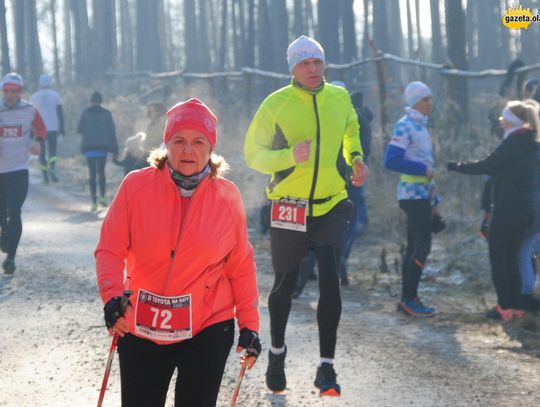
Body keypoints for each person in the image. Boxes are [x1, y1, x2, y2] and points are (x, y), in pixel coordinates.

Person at [95, 98, 261, 407]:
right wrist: (113, 297)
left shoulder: (227, 198)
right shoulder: (135, 187)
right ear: (166, 144)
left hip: (207, 324)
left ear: (210, 148)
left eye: (198, 141)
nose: (188, 150)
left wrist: (249, 325)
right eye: (179, 141)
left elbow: (240, 264)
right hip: (142, 323)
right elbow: (109, 249)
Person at [244, 35, 368, 396]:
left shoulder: (339, 97)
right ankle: (277, 353)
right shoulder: (276, 104)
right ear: (293, 69)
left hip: (331, 202)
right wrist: (287, 157)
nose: (312, 69)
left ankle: (326, 368)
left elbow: (350, 130)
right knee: (285, 284)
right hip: (289, 204)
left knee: (330, 277)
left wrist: (356, 158)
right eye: (304, 63)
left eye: (317, 62)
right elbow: (253, 153)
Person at [448, 100, 540, 320]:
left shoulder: (512, 144)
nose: (500, 124)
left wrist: (457, 167)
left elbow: (488, 166)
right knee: (513, 258)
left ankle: (504, 307)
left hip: (507, 209)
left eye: (502, 120)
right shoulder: (532, 143)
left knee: (498, 257)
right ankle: (517, 307)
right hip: (526, 209)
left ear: (512, 122)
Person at [384, 81, 443, 318]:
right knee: (422, 246)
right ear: (415, 102)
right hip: (411, 194)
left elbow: (427, 166)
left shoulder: (421, 126)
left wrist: (434, 198)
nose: (430, 102)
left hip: (422, 194)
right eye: (426, 99)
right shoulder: (405, 126)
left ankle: (408, 298)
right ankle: (409, 299)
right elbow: (391, 160)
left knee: (414, 246)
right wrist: (421, 169)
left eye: (430, 97)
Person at [0, 72, 46, 274]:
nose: (9, 95)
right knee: (1, 216)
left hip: (19, 170)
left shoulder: (29, 110)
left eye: (13, 91)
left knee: (15, 212)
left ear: (20, 92)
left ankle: (11, 257)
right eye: (6, 91)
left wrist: (38, 143)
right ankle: (4, 237)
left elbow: (42, 130)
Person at [77, 91, 119, 211]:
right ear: (101, 101)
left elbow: (79, 129)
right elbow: (112, 132)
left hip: (89, 148)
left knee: (92, 174)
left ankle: (93, 201)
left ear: (91, 100)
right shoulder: (107, 114)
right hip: (102, 147)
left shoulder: (85, 113)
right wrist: (115, 150)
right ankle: (102, 197)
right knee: (101, 172)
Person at [30, 74, 65, 183]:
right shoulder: (55, 95)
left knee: (42, 152)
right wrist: (62, 128)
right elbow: (60, 113)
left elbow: (31, 115)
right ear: (49, 83)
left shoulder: (34, 96)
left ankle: (45, 176)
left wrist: (31, 129)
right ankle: (52, 168)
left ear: (40, 84)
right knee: (53, 151)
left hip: (39, 129)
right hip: (53, 127)